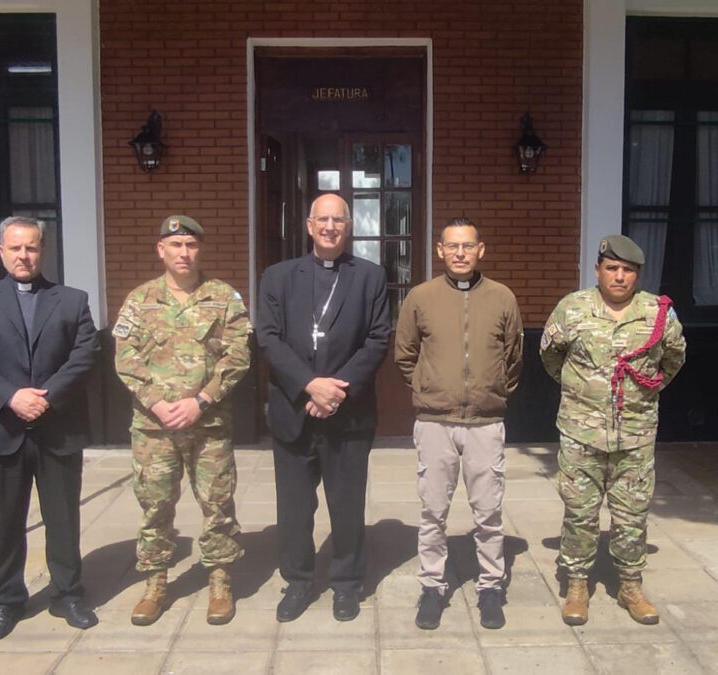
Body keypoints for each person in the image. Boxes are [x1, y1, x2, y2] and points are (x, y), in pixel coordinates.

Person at [0, 216, 100, 641]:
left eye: (31, 247)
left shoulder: (71, 300)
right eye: (15, 248)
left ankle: (67, 594)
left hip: (58, 427)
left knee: (63, 518)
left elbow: (85, 354)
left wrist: (46, 397)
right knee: (5, 522)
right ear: (1, 252)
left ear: (42, 250)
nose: (23, 256)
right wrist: (12, 396)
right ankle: (6, 601)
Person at [256, 193, 390, 623]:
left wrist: (335, 393)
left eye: (339, 220)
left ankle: (347, 584)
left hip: (348, 416)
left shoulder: (370, 276)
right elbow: (268, 338)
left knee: (347, 507)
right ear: (309, 226)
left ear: (348, 227)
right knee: (294, 510)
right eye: (323, 219)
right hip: (293, 412)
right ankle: (297, 581)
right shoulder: (277, 277)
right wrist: (309, 386)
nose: (330, 227)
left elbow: (377, 340)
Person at [539, 234, 686, 626]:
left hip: (635, 435)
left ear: (638, 274)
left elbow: (673, 359)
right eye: (612, 268)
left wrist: (642, 394)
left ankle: (630, 586)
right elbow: (551, 357)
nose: (620, 277)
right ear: (598, 270)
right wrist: (583, 391)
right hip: (581, 434)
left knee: (632, 515)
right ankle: (577, 585)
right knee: (580, 513)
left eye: (628, 270)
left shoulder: (658, 312)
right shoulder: (572, 308)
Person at [113, 215, 251, 626]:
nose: (184, 253)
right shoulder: (140, 299)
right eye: (175, 245)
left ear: (199, 250)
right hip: (154, 429)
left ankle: (220, 580)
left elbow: (238, 354)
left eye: (191, 245)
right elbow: (125, 357)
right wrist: (156, 403)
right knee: (155, 506)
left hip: (208, 425)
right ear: (161, 250)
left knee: (218, 504)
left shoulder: (222, 297)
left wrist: (202, 401)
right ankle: (156, 582)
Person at [395, 218, 523, 631]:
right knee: (433, 511)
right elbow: (405, 354)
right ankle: (432, 586)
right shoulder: (421, 297)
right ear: (440, 250)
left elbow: (514, 356)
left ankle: (490, 587)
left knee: (488, 512)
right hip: (436, 421)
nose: (460, 253)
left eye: (468, 246)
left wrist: (494, 390)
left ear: (480, 250)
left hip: (485, 422)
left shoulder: (502, 297)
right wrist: (429, 387)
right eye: (452, 246)